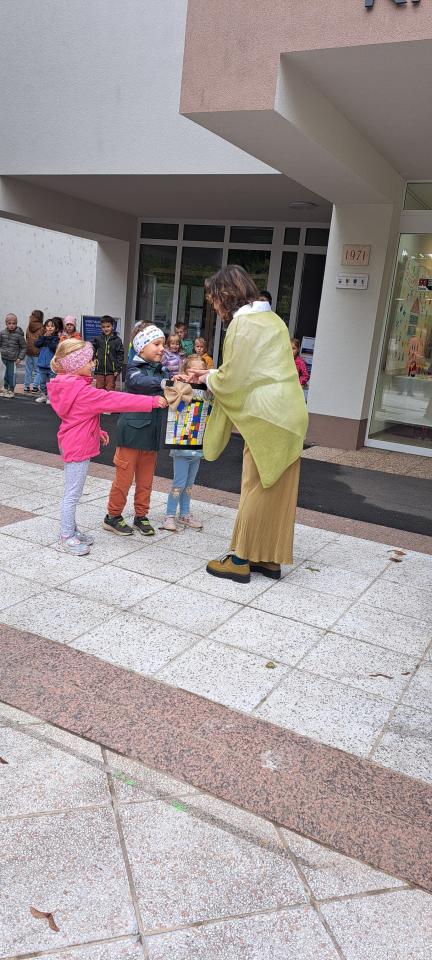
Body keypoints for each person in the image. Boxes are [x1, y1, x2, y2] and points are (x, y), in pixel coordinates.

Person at [199, 265, 308, 584]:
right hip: (290, 413)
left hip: (266, 416)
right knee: (278, 491)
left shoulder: (242, 325)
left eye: (213, 299)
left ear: (224, 295)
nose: (214, 307)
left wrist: (207, 378)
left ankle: (239, 560)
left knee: (256, 488)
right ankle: (268, 559)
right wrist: (213, 376)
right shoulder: (274, 320)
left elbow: (234, 378)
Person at [48, 338, 166, 556]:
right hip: (77, 447)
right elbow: (115, 399)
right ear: (76, 365)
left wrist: (97, 431)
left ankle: (72, 529)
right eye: (89, 361)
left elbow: (79, 415)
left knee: (72, 492)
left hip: (72, 440)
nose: (93, 363)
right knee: (72, 494)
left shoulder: (69, 386)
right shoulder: (83, 392)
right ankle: (66, 536)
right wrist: (150, 402)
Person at [103, 325, 168, 537]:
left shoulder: (162, 371)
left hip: (151, 436)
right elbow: (140, 382)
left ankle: (141, 515)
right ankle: (113, 516)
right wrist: (164, 382)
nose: (162, 349)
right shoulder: (132, 369)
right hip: (130, 435)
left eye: (163, 344)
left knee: (146, 481)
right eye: (157, 344)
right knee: (123, 480)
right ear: (141, 348)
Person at [162, 354, 210, 531]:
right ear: (185, 371)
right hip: (181, 447)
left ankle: (185, 514)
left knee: (189, 485)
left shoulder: (209, 390)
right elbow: (164, 385)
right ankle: (169, 515)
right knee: (179, 483)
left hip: (198, 446)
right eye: (192, 370)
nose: (196, 374)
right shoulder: (180, 386)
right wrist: (175, 380)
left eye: (200, 370)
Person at [93, 315, 124, 391]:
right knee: (99, 390)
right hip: (100, 370)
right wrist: (94, 360)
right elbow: (93, 350)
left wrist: (117, 369)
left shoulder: (117, 340)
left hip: (111, 371)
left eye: (108, 326)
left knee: (110, 390)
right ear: (101, 327)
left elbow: (120, 355)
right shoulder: (98, 339)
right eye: (103, 327)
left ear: (112, 326)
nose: (106, 329)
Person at [0, 313, 26, 397]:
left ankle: (11, 390)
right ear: (6, 324)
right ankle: (5, 388)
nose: (11, 325)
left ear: (16, 323)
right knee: (4, 375)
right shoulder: (2, 333)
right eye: (9, 323)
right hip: (3, 358)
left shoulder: (19, 335)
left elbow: (24, 347)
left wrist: (20, 358)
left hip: (12, 359)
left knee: (11, 375)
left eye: (13, 323)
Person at [35, 318, 60, 404]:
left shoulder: (56, 338)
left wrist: (49, 338)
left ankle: (50, 397)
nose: (50, 328)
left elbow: (53, 347)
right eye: (48, 326)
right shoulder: (42, 337)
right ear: (45, 328)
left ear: (56, 328)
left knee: (51, 382)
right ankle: (44, 395)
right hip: (42, 364)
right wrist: (44, 337)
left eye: (52, 326)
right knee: (42, 382)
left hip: (51, 366)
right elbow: (37, 344)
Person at [24, 309, 44, 392]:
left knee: (28, 370)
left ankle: (26, 386)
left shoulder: (29, 326)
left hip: (28, 351)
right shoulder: (42, 328)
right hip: (37, 352)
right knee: (38, 371)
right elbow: (42, 340)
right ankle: (35, 386)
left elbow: (26, 336)